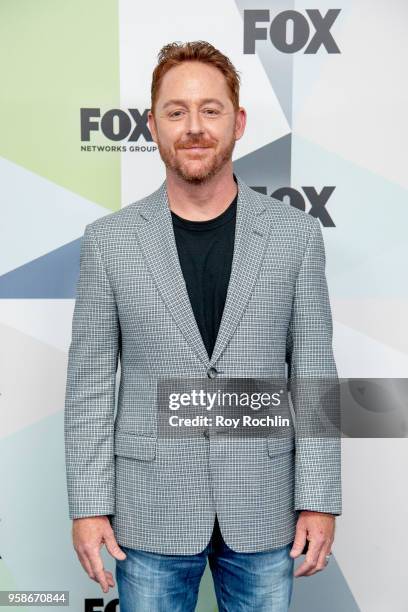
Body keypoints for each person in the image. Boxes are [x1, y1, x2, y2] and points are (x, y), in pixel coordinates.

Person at [64, 40, 341, 611]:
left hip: (265, 510)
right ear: (153, 124)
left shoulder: (295, 236)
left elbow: (314, 375)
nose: (194, 127)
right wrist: (88, 506)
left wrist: (318, 499)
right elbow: (89, 383)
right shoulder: (110, 242)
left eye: (210, 110)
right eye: (176, 111)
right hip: (149, 512)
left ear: (238, 122)